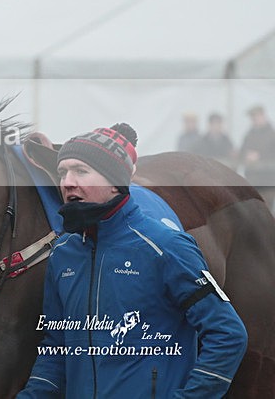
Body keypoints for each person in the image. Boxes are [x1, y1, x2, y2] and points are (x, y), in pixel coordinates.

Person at [18, 123, 247, 398]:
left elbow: (228, 335)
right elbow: (56, 348)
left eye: (80, 171)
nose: (67, 182)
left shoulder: (166, 246)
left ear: (114, 182)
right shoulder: (63, 253)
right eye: (62, 172)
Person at [238, 105, 275, 210]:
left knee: (266, 211)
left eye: (256, 116)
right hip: (252, 181)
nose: (254, 119)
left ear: (263, 116)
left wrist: (260, 156)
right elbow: (242, 152)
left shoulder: (272, 135)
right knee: (253, 212)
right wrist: (246, 155)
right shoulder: (249, 135)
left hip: (268, 182)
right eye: (252, 117)